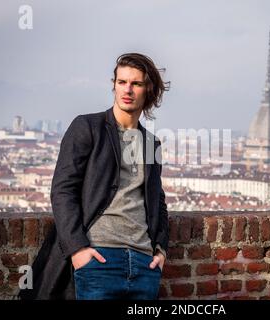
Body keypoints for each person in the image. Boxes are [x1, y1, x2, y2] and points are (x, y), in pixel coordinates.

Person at [18, 53, 169, 300]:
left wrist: (161, 251)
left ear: (148, 91)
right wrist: (79, 250)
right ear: (114, 85)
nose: (127, 89)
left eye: (136, 83)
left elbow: (158, 202)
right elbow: (62, 190)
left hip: (143, 264)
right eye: (121, 82)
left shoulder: (152, 144)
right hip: (99, 257)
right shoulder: (87, 127)